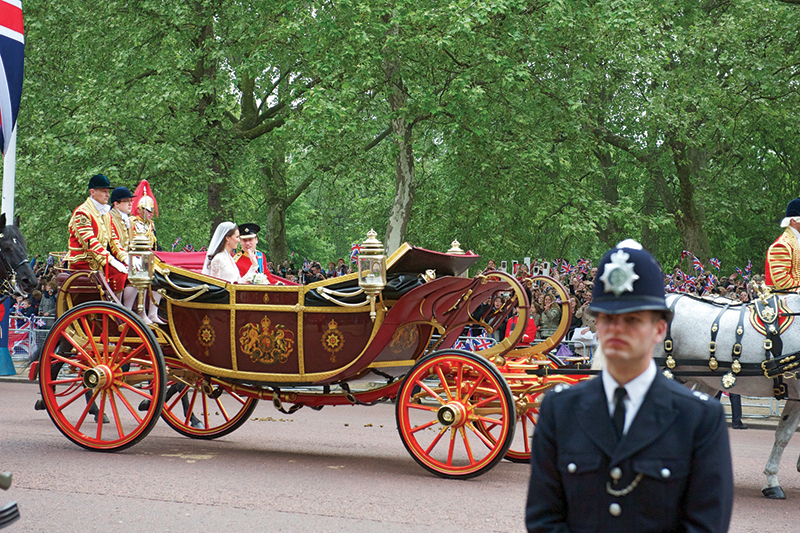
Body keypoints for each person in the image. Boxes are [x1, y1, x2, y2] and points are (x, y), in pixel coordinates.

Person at [526, 240, 733, 532]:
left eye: (632, 319)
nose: (617, 328)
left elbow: (705, 525)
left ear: (660, 328)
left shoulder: (700, 419)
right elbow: (543, 520)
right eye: (607, 318)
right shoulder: (559, 411)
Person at [66, 174, 130, 295]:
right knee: (119, 273)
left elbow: (113, 240)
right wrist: (111, 260)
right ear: (92, 192)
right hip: (84, 262)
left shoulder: (106, 214)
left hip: (99, 260)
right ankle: (115, 307)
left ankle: (123, 308)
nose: (108, 195)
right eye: (104, 191)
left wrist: (125, 258)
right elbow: (90, 243)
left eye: (108, 192)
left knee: (132, 271)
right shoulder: (82, 213)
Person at [766, 197, 800, 291]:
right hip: (786, 298)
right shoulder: (782, 245)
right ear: (794, 220)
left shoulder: (796, 240)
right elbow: (782, 280)